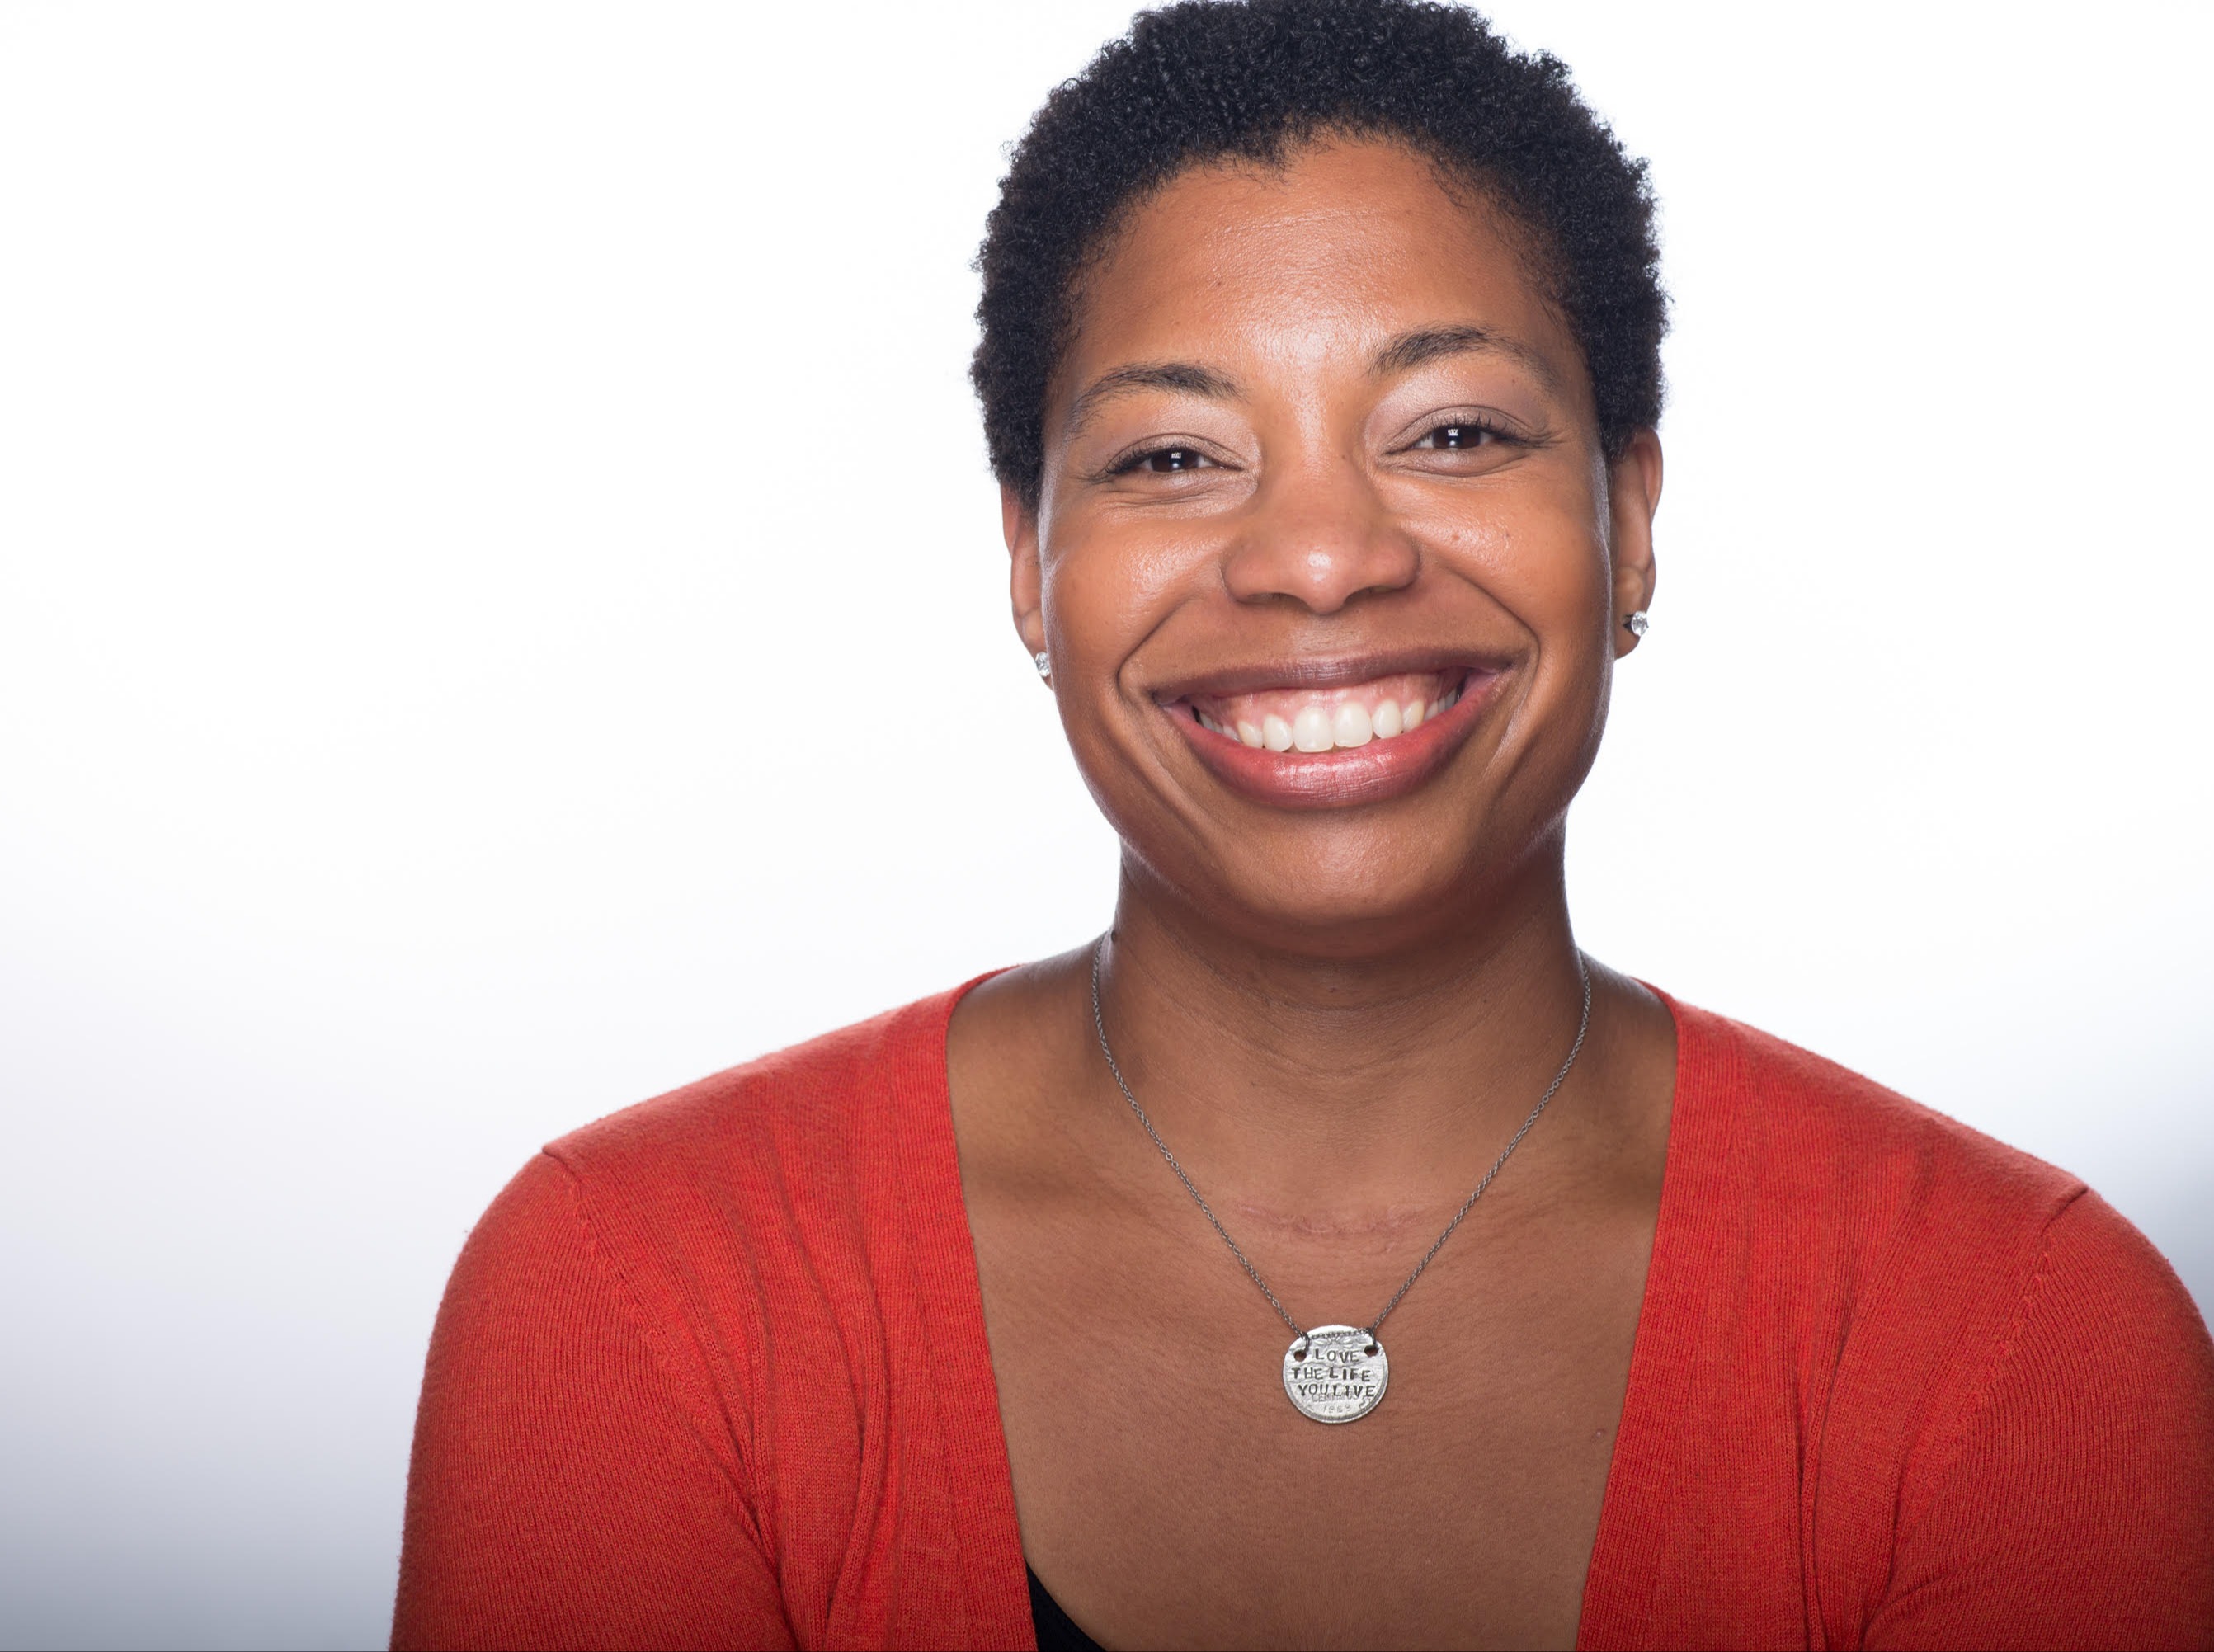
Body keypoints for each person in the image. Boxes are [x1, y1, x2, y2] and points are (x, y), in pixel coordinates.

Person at [388, 2, 2214, 1647]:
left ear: (1628, 517)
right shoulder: (643, 1297)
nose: (1324, 556)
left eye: (1451, 433)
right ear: (1029, 560)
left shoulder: (2019, 1346)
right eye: (1173, 457)